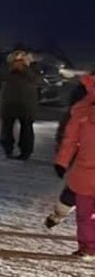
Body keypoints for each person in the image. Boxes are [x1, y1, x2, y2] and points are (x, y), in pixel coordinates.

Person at [45, 73, 94, 228]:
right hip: (82, 153)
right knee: (75, 190)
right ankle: (59, 214)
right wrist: (62, 160)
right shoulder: (83, 93)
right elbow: (69, 133)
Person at [54, 73, 95, 259]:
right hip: (85, 173)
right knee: (84, 214)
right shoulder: (82, 111)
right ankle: (87, 247)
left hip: (84, 173)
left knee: (85, 214)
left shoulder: (82, 111)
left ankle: (88, 246)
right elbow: (70, 140)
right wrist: (62, 161)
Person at [0, 50, 41, 160]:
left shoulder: (33, 67)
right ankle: (7, 149)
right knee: (7, 129)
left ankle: (25, 152)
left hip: (26, 103)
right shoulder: (6, 66)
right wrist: (11, 68)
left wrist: (24, 69)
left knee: (26, 129)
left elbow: (38, 80)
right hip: (9, 102)